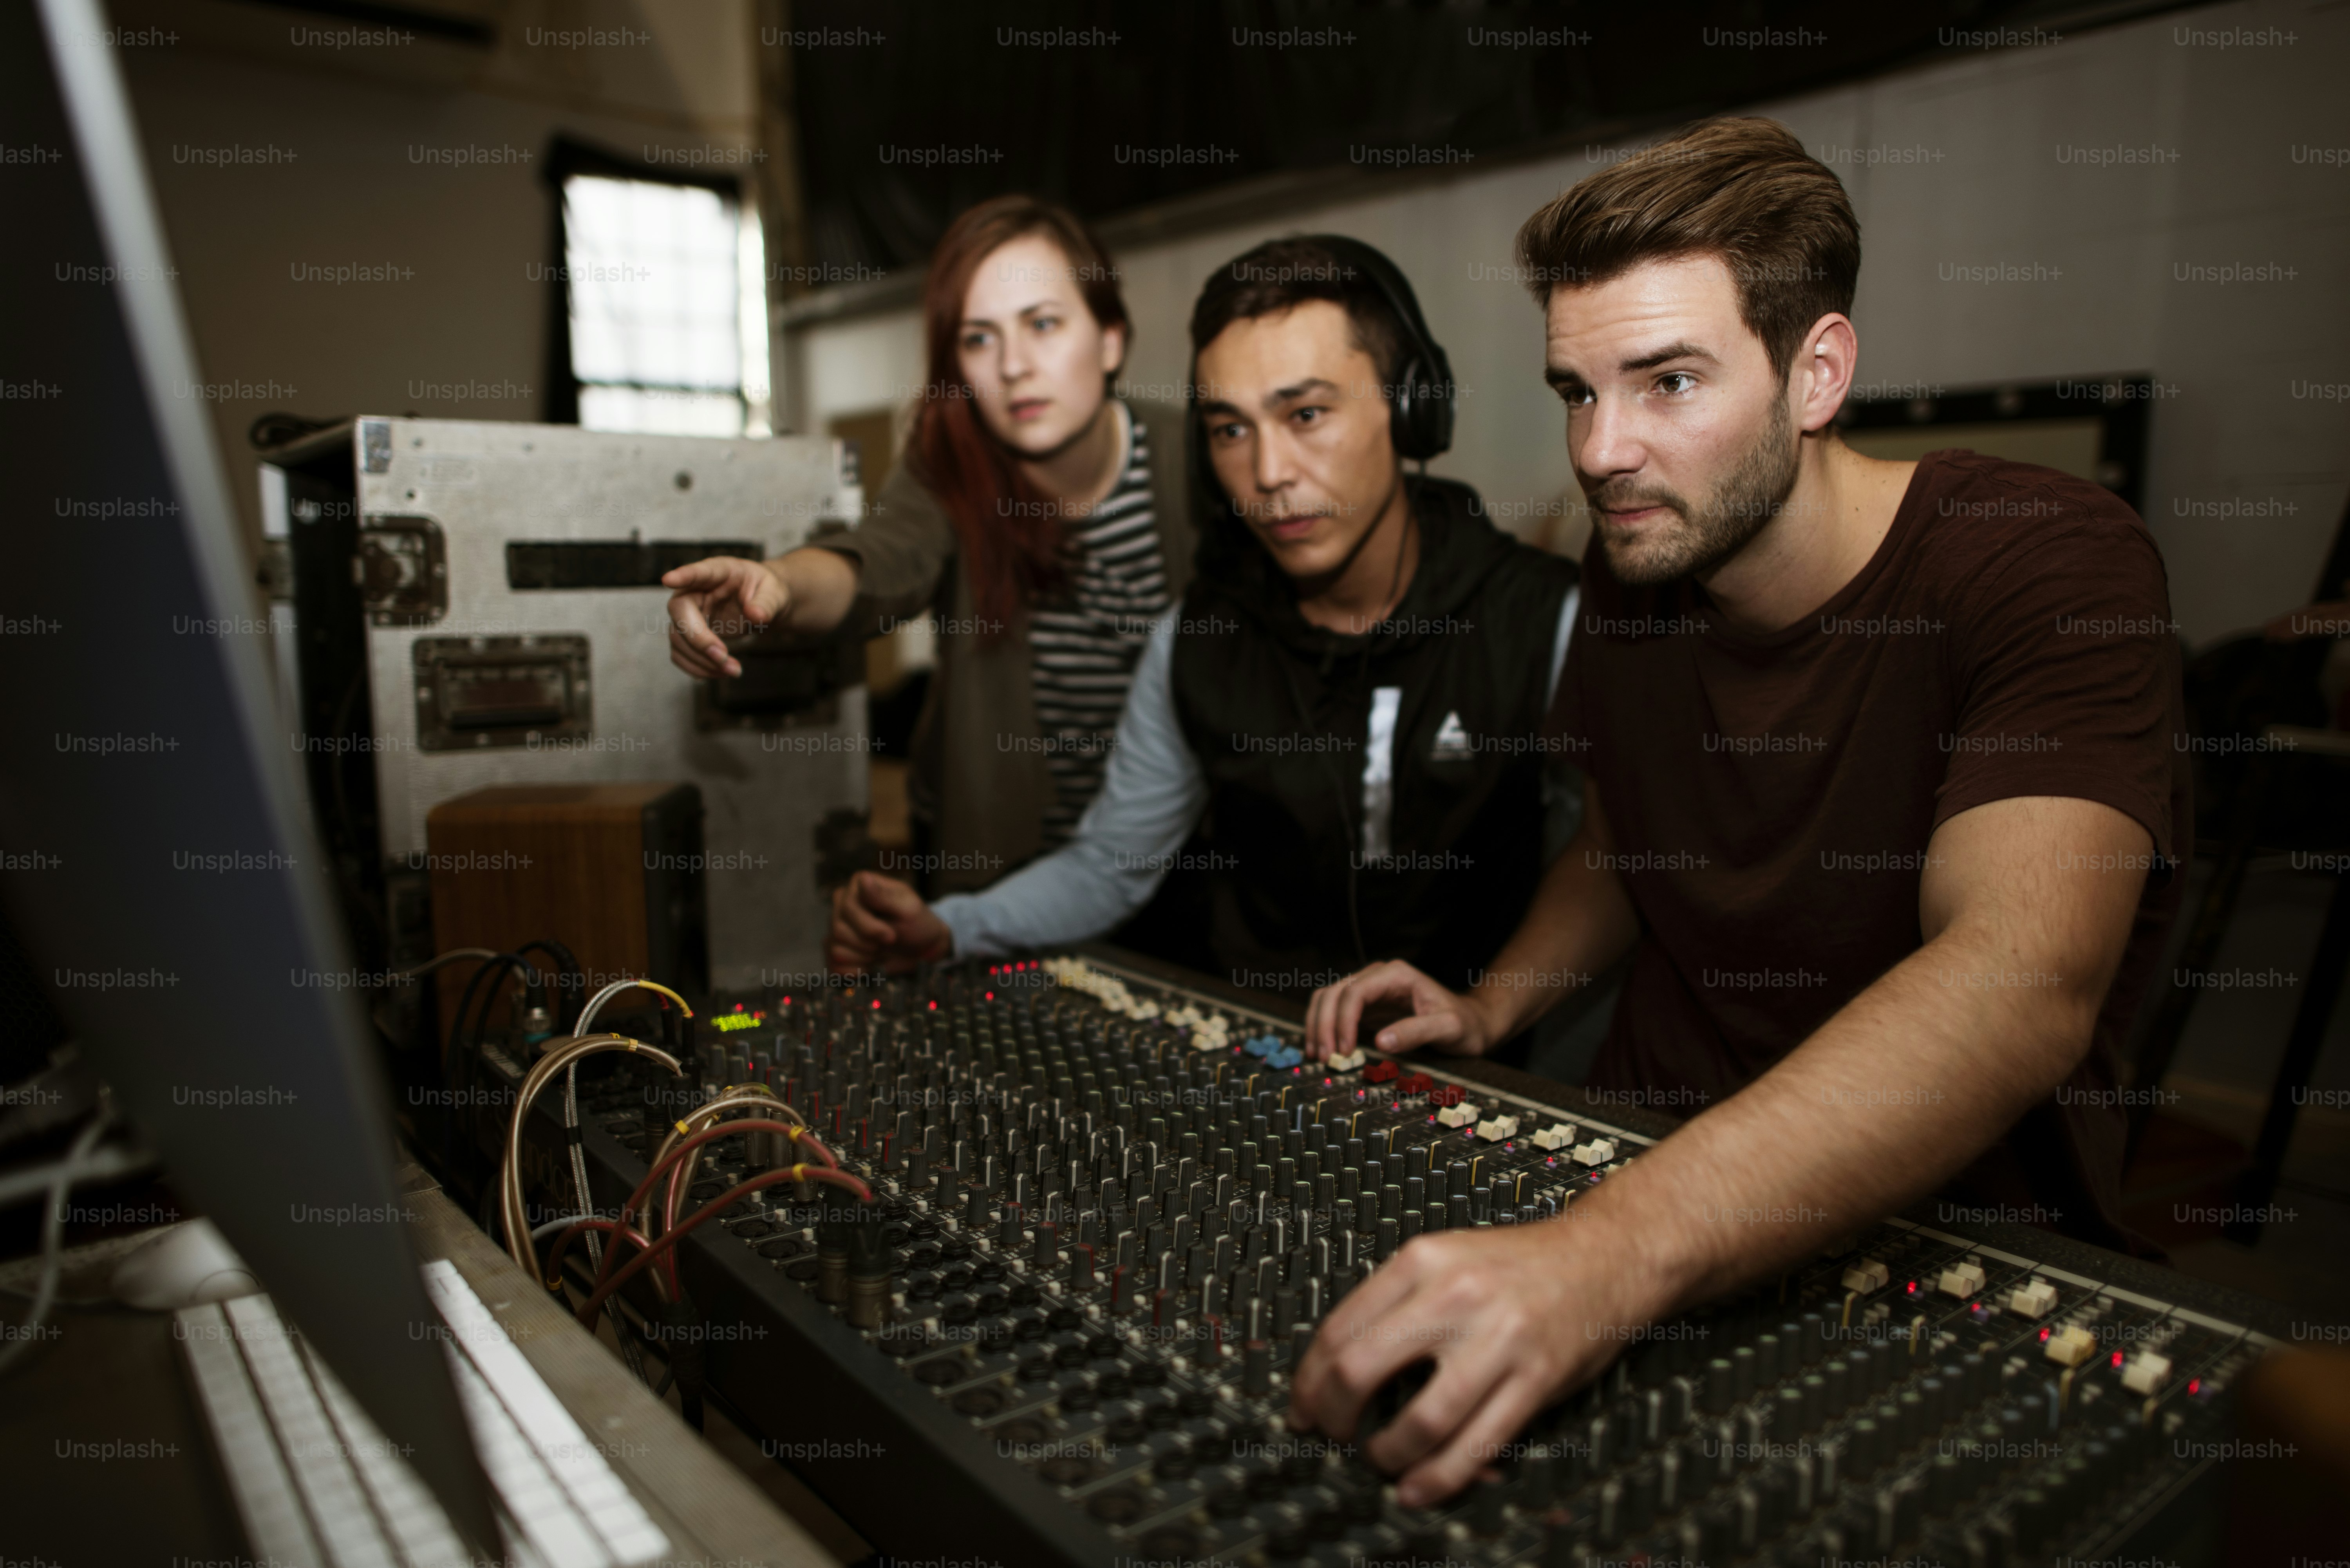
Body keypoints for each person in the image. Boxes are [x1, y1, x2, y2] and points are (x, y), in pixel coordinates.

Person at [1289, 117, 2190, 1505]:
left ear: (1817, 372)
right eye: (1577, 392)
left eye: (1668, 381)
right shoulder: (1640, 560)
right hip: (1635, 1168)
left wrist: (1607, 1254)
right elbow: (1626, 838)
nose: (1603, 450)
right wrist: (1494, 1007)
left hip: (1934, 1235)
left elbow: (2020, 979)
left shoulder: (2047, 563)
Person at [823, 236, 1581, 997]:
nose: (1268, 473)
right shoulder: (1196, 641)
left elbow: (1610, 862)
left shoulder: (1547, 622)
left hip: (1484, 1059)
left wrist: (1490, 1010)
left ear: (1413, 408)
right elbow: (1112, 864)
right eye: (1230, 430)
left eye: (1307, 413)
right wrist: (951, 927)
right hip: (1266, 1045)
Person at [662, 197, 1191, 889]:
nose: (1013, 365)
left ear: (1111, 339)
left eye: (1043, 324)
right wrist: (779, 588)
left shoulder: (1194, 460)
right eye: (979, 338)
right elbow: (881, 560)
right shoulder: (949, 470)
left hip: (1186, 869)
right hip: (1007, 877)